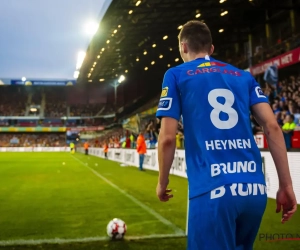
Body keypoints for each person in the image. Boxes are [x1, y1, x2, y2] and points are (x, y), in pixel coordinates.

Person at [155, 20, 297, 250]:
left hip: (213, 190)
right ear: (211, 49)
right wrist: (286, 185)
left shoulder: (176, 75)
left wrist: (162, 182)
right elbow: (272, 127)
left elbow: (168, 137)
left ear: (183, 47)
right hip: (254, 190)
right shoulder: (242, 76)